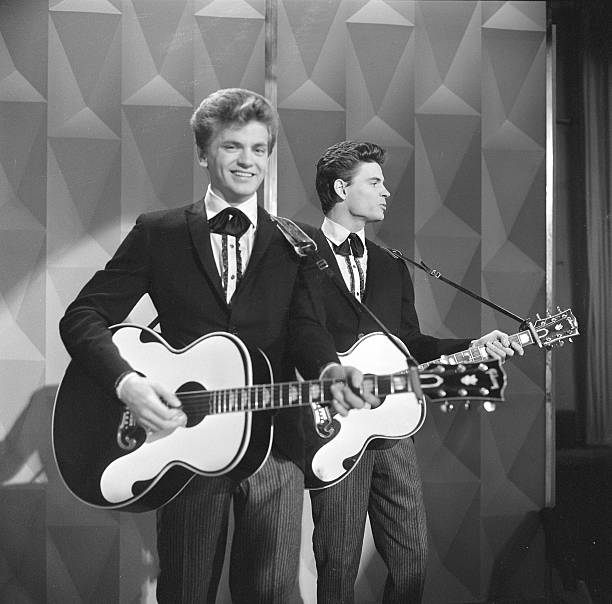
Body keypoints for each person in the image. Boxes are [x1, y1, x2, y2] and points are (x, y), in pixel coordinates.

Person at [59, 89, 375, 604]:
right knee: (186, 591)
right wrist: (127, 383)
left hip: (274, 446)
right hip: (184, 445)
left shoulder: (296, 242)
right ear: (203, 153)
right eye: (232, 146)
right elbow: (83, 317)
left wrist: (329, 369)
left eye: (259, 148)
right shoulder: (159, 232)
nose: (247, 161)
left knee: (270, 594)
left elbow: (306, 329)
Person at [301, 140, 524, 604]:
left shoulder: (390, 264)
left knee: (412, 561)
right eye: (374, 182)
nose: (386, 192)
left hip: (392, 429)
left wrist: (473, 347)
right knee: (337, 567)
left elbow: (411, 346)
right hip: (334, 429)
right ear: (341, 188)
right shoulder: (301, 256)